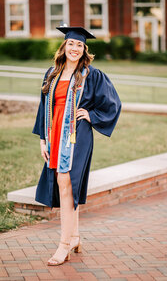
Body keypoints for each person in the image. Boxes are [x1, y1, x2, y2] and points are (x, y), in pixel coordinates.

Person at [32, 26, 121, 266]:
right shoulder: (51, 73)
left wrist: (92, 115)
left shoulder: (91, 75)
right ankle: (75, 237)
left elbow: (113, 103)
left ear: (84, 50)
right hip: (54, 133)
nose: (74, 48)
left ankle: (63, 246)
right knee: (68, 186)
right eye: (71, 44)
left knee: (66, 182)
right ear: (64, 46)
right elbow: (43, 107)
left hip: (76, 135)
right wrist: (42, 138)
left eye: (79, 45)